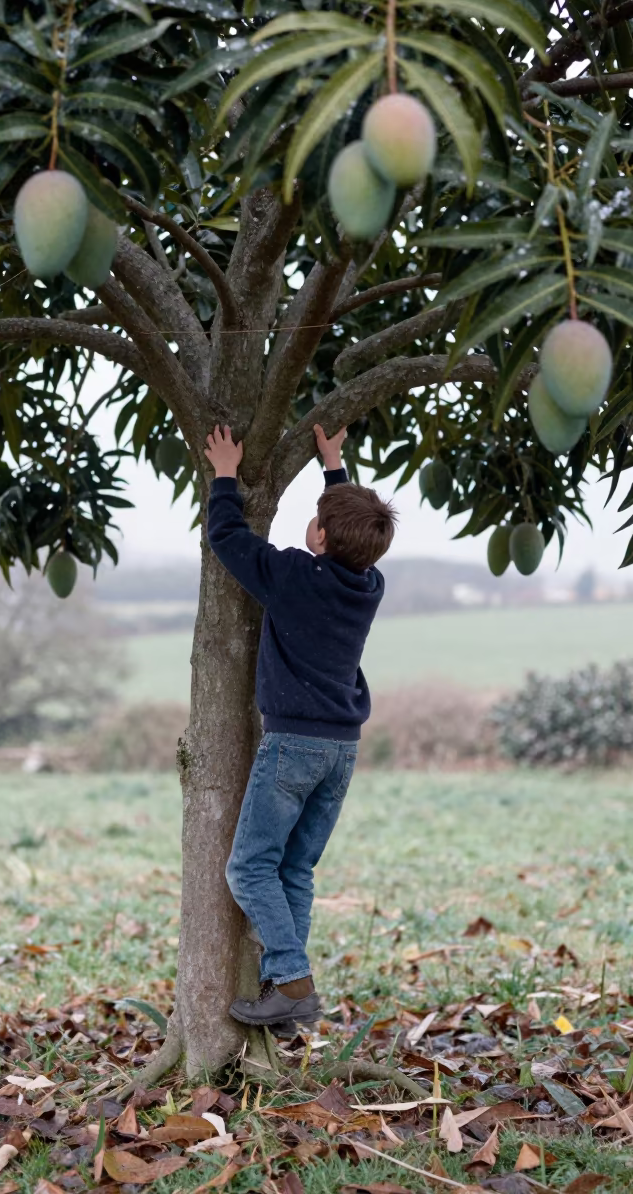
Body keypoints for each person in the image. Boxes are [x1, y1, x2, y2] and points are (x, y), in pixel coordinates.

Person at [204, 421, 398, 1029]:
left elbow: (229, 537)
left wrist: (225, 475)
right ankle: (286, 1002)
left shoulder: (292, 576)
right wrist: (333, 468)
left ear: (317, 535)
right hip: (342, 750)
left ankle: (290, 979)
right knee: (294, 869)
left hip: (292, 746)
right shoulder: (369, 584)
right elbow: (351, 535)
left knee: (249, 868)